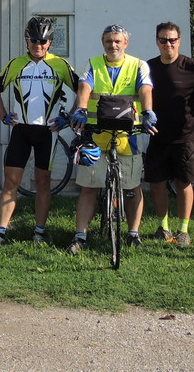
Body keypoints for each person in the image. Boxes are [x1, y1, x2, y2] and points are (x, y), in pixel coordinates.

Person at [0, 15, 77, 248]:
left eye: (44, 41)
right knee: (10, 182)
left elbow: (83, 89)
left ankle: (39, 232)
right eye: (34, 40)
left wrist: (69, 117)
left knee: (42, 181)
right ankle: (0, 232)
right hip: (21, 130)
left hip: (48, 131)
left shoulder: (60, 64)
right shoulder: (16, 64)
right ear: (27, 40)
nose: (39, 45)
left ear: (50, 43)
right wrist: (3, 115)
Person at [66, 24, 155, 254]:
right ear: (103, 42)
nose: (113, 45)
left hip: (129, 136)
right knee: (88, 188)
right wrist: (82, 109)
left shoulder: (138, 65)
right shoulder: (93, 64)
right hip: (96, 135)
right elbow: (84, 86)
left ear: (125, 43)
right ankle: (80, 236)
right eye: (108, 41)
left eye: (117, 41)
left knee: (133, 188)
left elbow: (145, 89)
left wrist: (147, 113)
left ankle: (133, 233)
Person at [144, 21, 194, 248]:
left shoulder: (192, 66)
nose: (168, 43)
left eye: (172, 39)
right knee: (157, 183)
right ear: (157, 41)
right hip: (158, 135)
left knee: (183, 183)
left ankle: (183, 230)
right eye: (163, 39)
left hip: (187, 135)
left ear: (179, 41)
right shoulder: (148, 67)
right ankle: (163, 227)